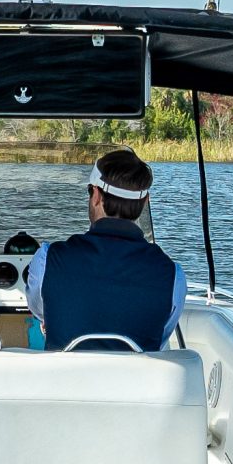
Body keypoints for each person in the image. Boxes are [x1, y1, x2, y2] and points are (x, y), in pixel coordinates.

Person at [26, 148, 185, 351]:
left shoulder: (48, 259)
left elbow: (40, 309)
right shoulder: (172, 275)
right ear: (145, 201)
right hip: (138, 373)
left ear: (96, 196)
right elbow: (160, 336)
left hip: (65, 372)